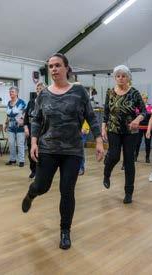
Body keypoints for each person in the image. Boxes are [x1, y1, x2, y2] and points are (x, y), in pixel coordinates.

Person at [21, 53, 104, 250]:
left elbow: (91, 117)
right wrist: (33, 143)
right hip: (48, 148)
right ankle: (32, 193)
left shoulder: (79, 92)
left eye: (58, 65)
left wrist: (99, 140)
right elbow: (37, 120)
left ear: (67, 68)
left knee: (67, 191)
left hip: (72, 150)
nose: (54, 69)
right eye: (50, 67)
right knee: (42, 186)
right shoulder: (43, 94)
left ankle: (65, 231)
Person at [102, 65, 146, 204]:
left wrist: (137, 119)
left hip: (130, 131)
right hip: (113, 129)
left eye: (123, 76)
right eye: (118, 76)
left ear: (128, 78)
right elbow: (106, 112)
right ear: (115, 78)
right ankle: (106, 173)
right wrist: (103, 128)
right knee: (113, 155)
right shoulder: (110, 92)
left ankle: (128, 193)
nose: (121, 78)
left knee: (129, 161)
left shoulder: (134, 93)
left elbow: (144, 112)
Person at [24, 82, 45, 179]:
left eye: (41, 89)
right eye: (37, 89)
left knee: (40, 153)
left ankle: (40, 172)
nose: (38, 91)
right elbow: (26, 117)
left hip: (42, 132)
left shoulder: (46, 102)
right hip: (31, 131)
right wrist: (26, 128)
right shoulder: (31, 102)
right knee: (30, 153)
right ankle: (33, 170)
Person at [4, 86, 26, 167]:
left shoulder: (21, 102)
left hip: (20, 126)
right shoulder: (9, 103)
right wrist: (5, 124)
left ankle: (21, 160)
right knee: (11, 143)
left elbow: (25, 113)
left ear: (17, 93)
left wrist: (23, 120)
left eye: (12, 91)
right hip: (10, 126)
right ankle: (12, 159)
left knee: (20, 144)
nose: (10, 93)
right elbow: (8, 115)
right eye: (10, 92)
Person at [135, 92, 152, 163]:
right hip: (139, 128)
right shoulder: (137, 108)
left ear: (147, 99)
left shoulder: (150, 107)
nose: (143, 100)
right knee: (137, 143)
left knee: (148, 143)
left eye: (145, 98)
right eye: (142, 98)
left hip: (148, 128)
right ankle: (135, 156)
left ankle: (147, 157)